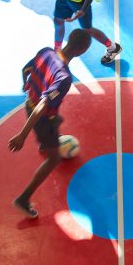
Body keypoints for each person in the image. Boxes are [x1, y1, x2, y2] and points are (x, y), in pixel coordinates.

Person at [9, 29, 93, 219]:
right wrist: (22, 135)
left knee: (58, 119)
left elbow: (26, 69)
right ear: (82, 51)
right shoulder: (64, 77)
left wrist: (26, 84)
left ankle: (46, 143)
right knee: (54, 158)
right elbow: (42, 106)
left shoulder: (47, 51)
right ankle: (23, 199)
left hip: (29, 104)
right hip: (40, 117)